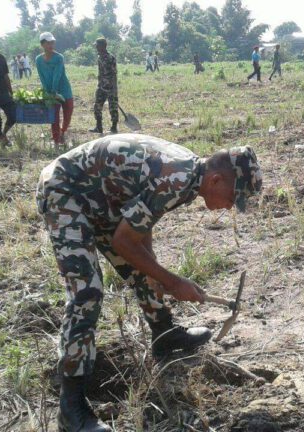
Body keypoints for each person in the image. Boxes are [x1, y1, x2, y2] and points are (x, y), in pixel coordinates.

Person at [36, 134, 262, 432]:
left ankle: (164, 334)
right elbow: (123, 241)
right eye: (233, 199)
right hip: (66, 190)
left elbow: (141, 222)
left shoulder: (191, 175)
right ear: (217, 180)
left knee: (145, 268)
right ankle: (71, 406)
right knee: (86, 292)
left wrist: (155, 271)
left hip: (102, 197)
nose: (230, 207)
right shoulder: (176, 178)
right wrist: (173, 280)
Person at [35, 32, 74, 146]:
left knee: (68, 112)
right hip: (50, 91)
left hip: (64, 89)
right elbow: (41, 76)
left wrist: (54, 91)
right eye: (48, 43)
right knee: (54, 116)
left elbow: (57, 75)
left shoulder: (59, 57)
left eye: (52, 42)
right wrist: (48, 92)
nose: (51, 45)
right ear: (42, 44)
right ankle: (56, 139)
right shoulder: (38, 60)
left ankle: (63, 131)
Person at [89, 37, 118, 134]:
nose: (96, 47)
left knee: (113, 107)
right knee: (97, 106)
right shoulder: (99, 57)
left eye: (97, 45)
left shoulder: (110, 58)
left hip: (110, 87)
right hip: (101, 86)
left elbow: (114, 73)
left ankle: (114, 127)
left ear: (102, 46)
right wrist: (101, 83)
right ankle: (99, 127)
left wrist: (111, 86)